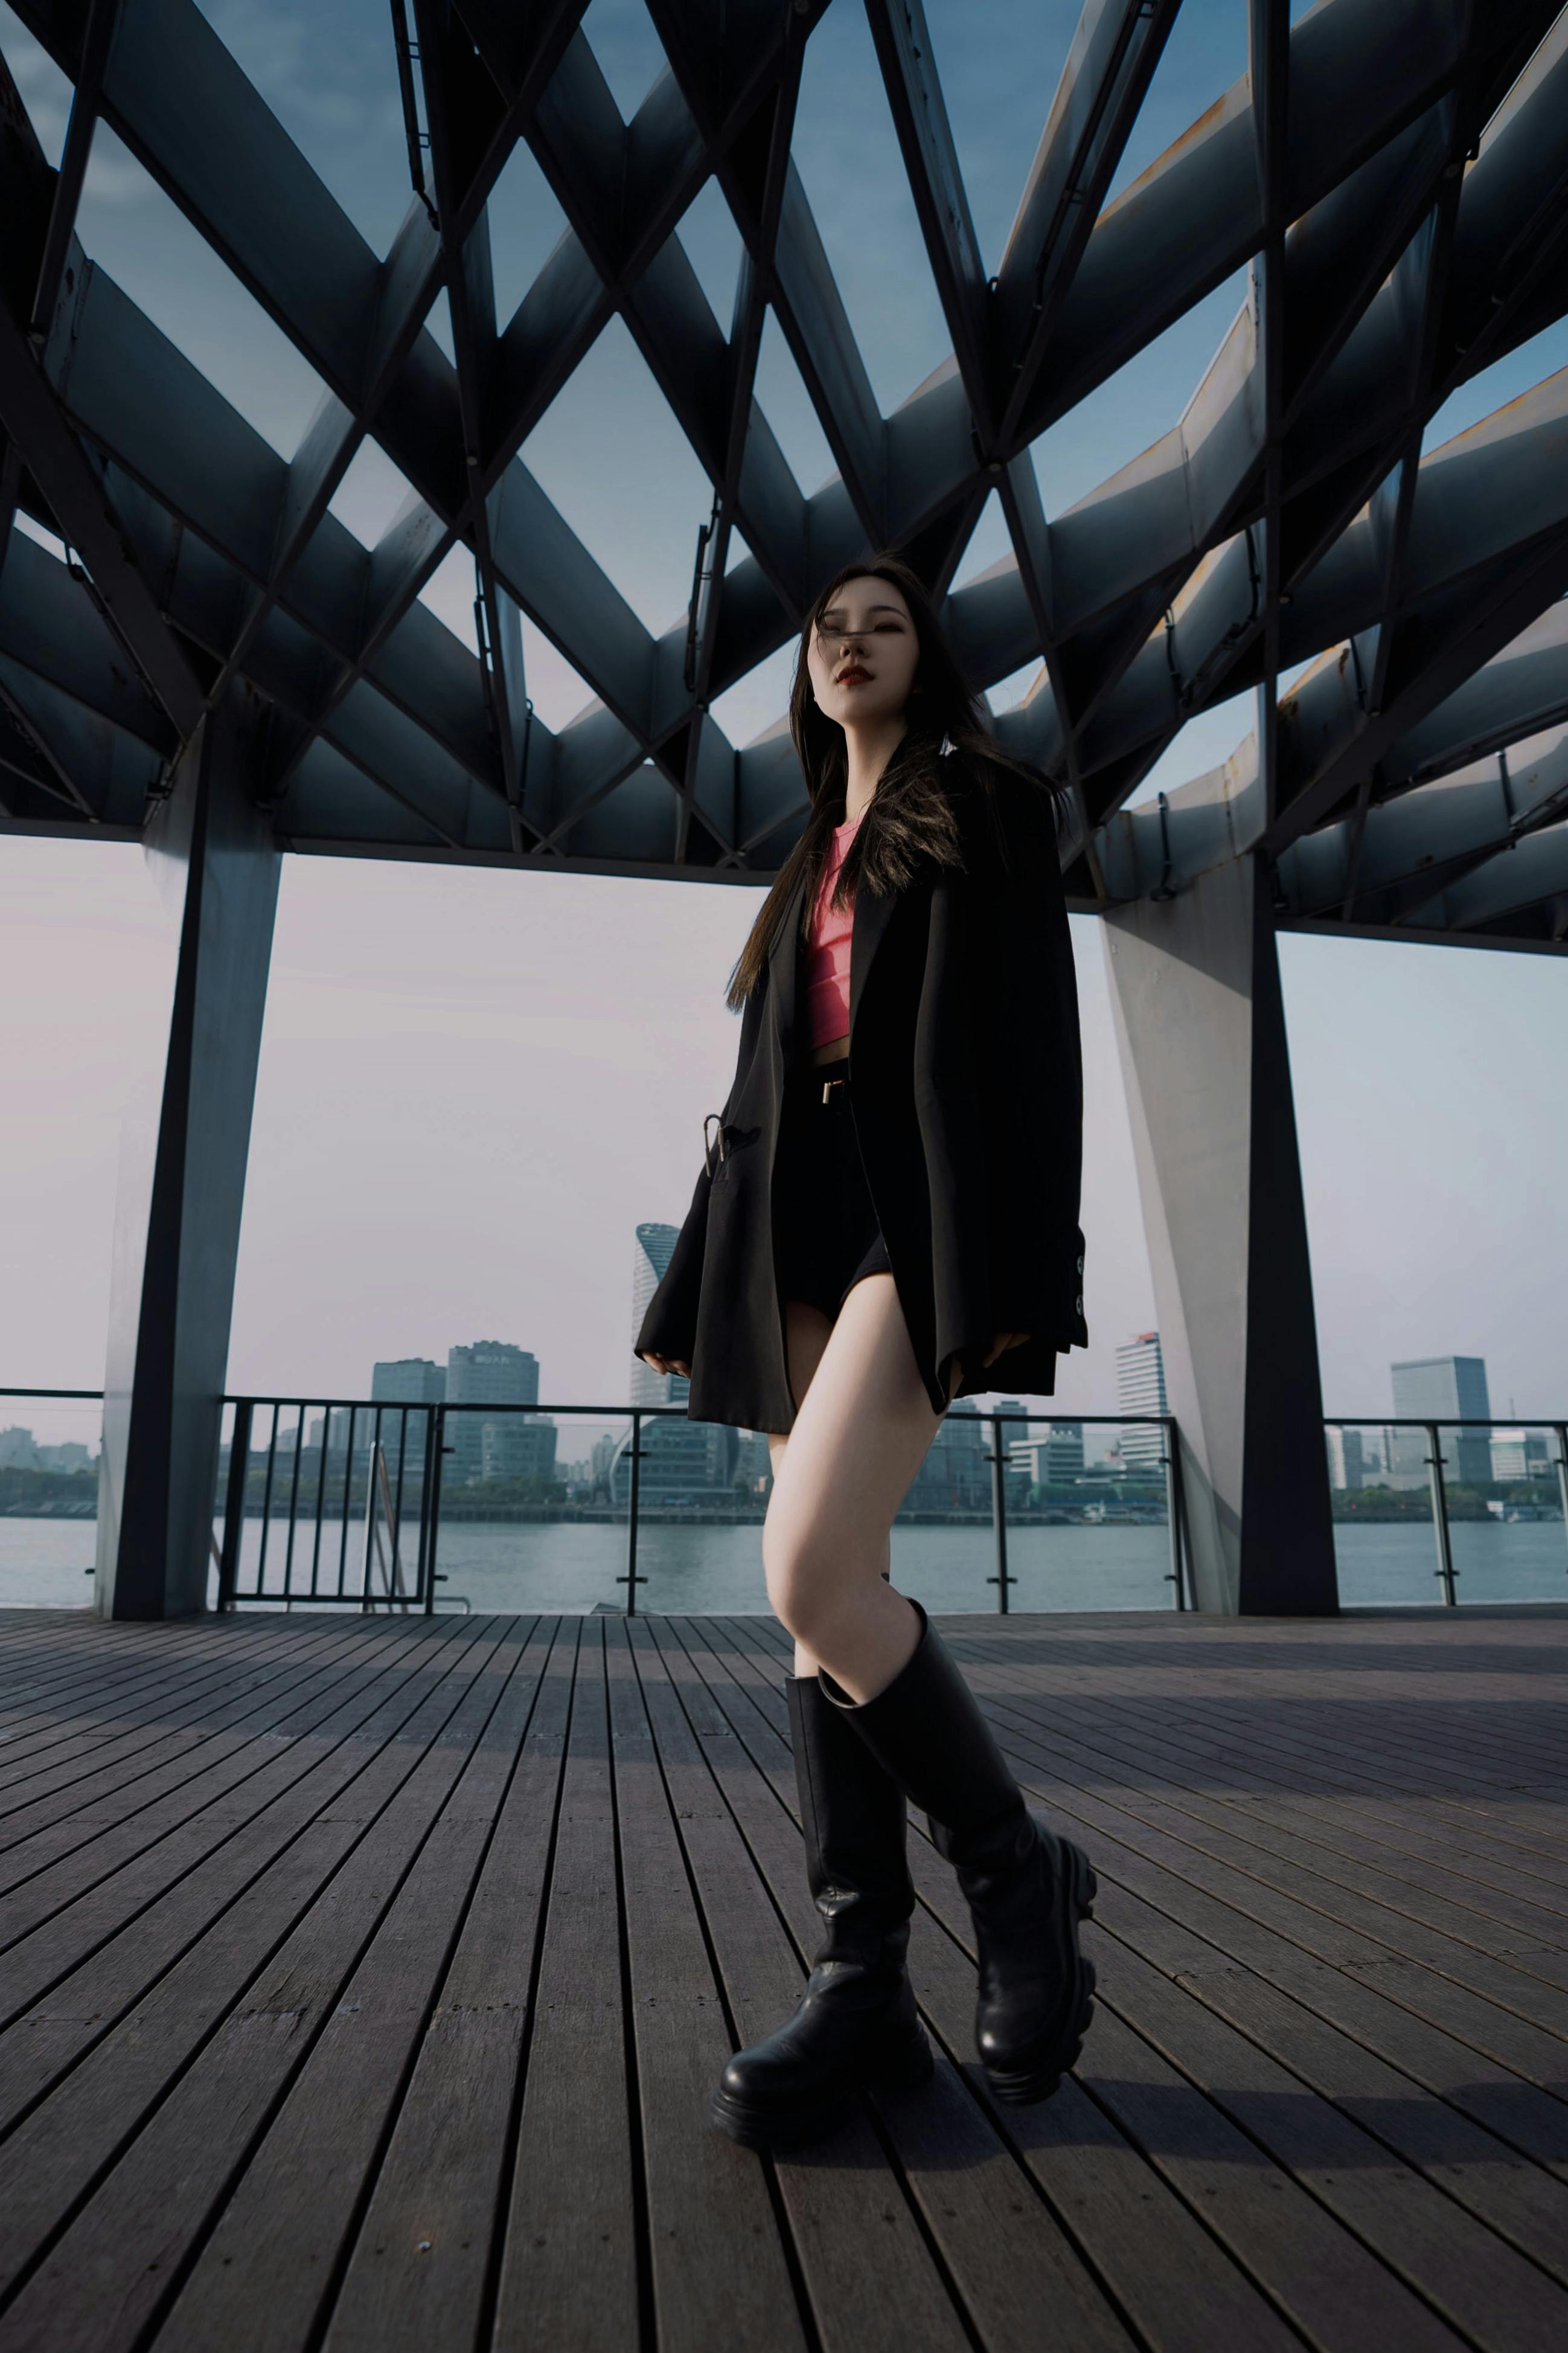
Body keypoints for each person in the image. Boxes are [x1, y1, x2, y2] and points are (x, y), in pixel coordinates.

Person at [635, 554, 1095, 2151]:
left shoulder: (990, 803)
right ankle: (866, 1982)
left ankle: (1012, 1864)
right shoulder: (805, 860)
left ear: (926, 656)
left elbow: (1036, 1046)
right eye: (829, 628)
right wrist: (694, 1288)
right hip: (799, 1238)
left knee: (809, 1575)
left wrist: (1034, 1263)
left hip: (920, 1220)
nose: (849, 643)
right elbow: (754, 1109)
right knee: (823, 1603)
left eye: (880, 623)